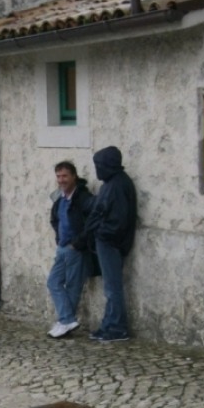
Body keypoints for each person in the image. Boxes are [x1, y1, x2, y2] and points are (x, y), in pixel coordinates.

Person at [85, 145, 137, 343]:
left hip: (110, 242)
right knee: (109, 285)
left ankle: (116, 327)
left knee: (112, 287)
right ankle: (108, 324)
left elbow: (119, 219)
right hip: (105, 241)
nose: (97, 170)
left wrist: (101, 233)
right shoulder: (111, 184)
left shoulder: (118, 185)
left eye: (99, 165)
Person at [46, 161, 95, 338]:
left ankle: (65, 321)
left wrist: (78, 243)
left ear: (74, 176)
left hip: (76, 249)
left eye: (65, 176)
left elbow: (92, 223)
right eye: (58, 176)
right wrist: (60, 239)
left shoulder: (83, 198)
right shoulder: (60, 198)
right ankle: (67, 320)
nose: (61, 180)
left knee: (74, 286)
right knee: (53, 281)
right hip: (62, 248)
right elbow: (54, 219)